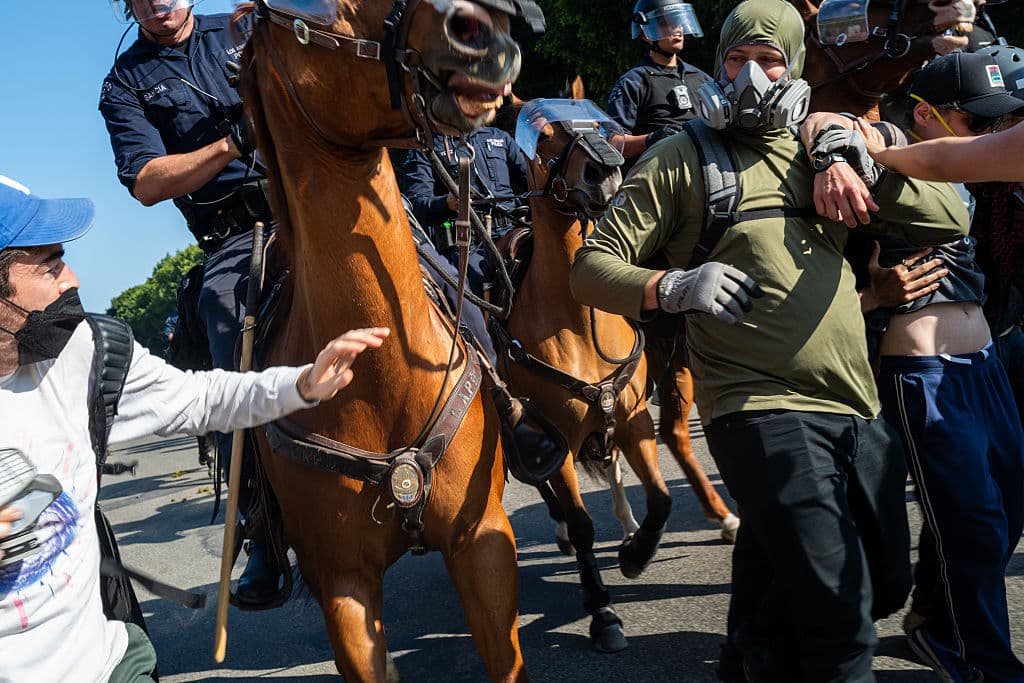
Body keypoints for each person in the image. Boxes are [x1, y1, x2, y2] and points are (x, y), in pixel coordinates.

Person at [569, 1, 970, 679]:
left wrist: (862, 151)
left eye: (769, 60)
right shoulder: (682, 156)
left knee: (880, 581)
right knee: (841, 620)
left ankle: (746, 658)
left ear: (795, 65)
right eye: (735, 59)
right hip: (755, 405)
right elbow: (589, 267)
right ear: (717, 64)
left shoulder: (824, 149)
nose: (751, 76)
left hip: (853, 402)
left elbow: (948, 217)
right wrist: (673, 287)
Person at [0, 175, 388, 683]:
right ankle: (264, 534)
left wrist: (303, 383)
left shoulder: (86, 351)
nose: (72, 280)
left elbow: (201, 397)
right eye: (50, 265)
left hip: (112, 666)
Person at [822, 52, 1024, 682]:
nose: (988, 136)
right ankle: (981, 663)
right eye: (972, 120)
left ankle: (937, 622)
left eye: (998, 124)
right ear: (925, 113)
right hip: (922, 371)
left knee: (1008, 506)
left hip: (986, 360)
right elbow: (814, 289)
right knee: (972, 524)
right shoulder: (874, 159)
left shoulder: (989, 181)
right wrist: (874, 296)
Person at [97, 0, 278, 603]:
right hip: (236, 238)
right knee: (228, 356)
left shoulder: (245, 23)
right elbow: (147, 181)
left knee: (431, 268)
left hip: (315, 198)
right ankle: (261, 533)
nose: (157, 3)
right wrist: (232, 143)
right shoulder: (124, 83)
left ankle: (513, 416)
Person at [401, 127, 529, 299]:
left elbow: (531, 181)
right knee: (470, 290)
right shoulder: (426, 146)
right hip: (467, 246)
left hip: (513, 232)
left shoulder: (499, 136)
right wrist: (446, 202)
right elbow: (416, 203)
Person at [606, 0, 712, 162]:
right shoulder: (632, 82)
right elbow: (613, 143)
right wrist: (651, 139)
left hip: (705, 172)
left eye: (678, 22)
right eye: (665, 23)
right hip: (656, 174)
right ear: (646, 34)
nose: (677, 29)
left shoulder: (701, 78)